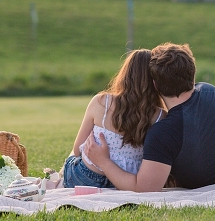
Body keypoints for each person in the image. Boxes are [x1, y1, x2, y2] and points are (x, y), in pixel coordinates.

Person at [84, 42, 215, 192]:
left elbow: (144, 188)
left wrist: (104, 161)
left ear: (155, 84)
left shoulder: (163, 132)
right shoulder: (210, 91)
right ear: (192, 73)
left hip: (209, 183)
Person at [61, 49, 166, 188]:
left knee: (70, 160)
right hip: (124, 181)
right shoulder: (160, 116)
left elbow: (77, 149)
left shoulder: (101, 102)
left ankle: (55, 181)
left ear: (125, 75)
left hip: (86, 177)